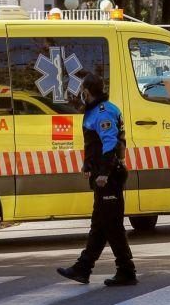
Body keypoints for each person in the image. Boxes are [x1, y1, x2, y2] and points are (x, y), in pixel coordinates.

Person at [57, 72, 137, 286]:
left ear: (87, 91)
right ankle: (83, 268)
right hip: (104, 174)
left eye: (82, 90)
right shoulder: (96, 110)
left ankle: (126, 270)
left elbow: (109, 143)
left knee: (112, 226)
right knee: (101, 225)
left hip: (109, 176)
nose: (79, 94)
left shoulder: (102, 112)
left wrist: (103, 172)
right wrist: (88, 163)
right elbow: (95, 145)